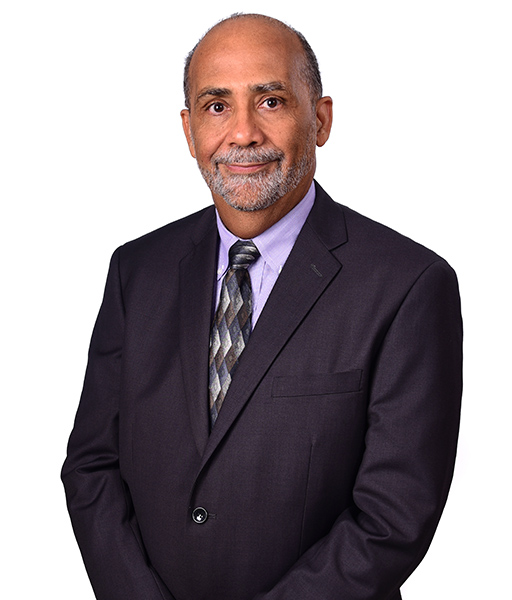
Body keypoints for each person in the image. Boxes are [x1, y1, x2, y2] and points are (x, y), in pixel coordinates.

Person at [62, 13, 462, 600]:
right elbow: (92, 467)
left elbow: (393, 517)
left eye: (271, 101)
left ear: (320, 119)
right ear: (189, 130)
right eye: (217, 106)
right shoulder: (136, 271)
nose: (243, 133)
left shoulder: (409, 284)